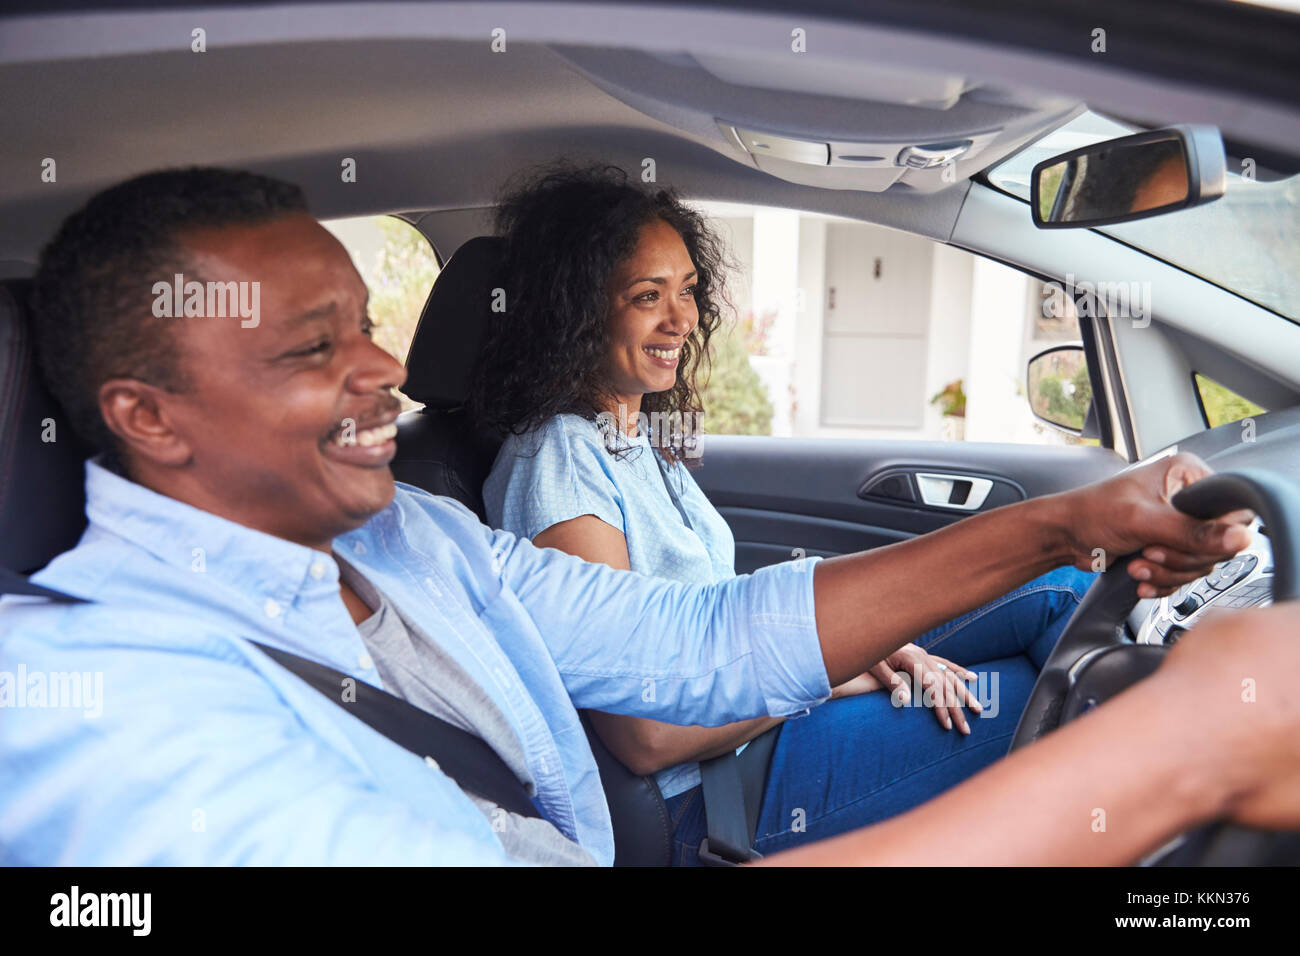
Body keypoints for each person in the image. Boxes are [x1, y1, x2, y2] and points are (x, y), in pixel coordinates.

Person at [0, 166, 1287, 867]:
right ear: (149, 417)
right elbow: (665, 727)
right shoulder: (86, 701)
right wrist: (1173, 749)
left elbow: (704, 641)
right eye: (308, 348)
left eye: (367, 323)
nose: (381, 367)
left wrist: (1066, 524)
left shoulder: (416, 538)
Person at [475, 164, 1097, 863]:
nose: (681, 319)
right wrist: (828, 668)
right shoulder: (556, 461)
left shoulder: (635, 440)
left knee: (1060, 594)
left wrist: (855, 648)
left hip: (748, 723)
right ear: (579, 314)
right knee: (1039, 701)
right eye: (647, 297)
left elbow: (716, 611)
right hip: (711, 794)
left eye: (687, 291)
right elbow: (643, 729)